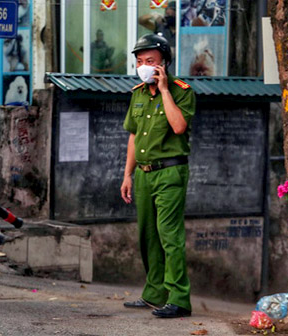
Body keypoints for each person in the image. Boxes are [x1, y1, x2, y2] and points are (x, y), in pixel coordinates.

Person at [120, 33, 195, 318]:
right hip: (143, 173)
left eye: (150, 61)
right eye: (140, 61)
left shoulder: (182, 90)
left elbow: (178, 127)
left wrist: (164, 90)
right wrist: (127, 174)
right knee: (148, 236)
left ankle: (179, 299)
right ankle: (154, 294)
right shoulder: (138, 93)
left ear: (164, 62)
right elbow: (133, 136)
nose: (144, 66)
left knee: (169, 236)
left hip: (170, 172)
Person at [138, 1, 176, 72]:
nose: (169, 16)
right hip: (161, 67)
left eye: (172, 14)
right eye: (167, 14)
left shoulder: (182, 31)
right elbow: (141, 21)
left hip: (177, 68)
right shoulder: (161, 26)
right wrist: (153, 15)